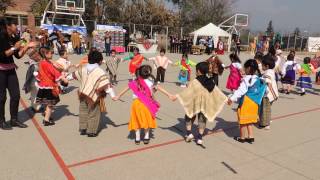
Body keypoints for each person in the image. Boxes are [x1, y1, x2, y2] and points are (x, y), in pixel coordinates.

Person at [114, 65, 174, 145]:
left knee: (136, 120)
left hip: (136, 104)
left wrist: (118, 96)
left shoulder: (135, 82)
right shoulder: (150, 82)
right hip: (147, 104)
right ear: (148, 74)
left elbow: (127, 88)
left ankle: (137, 138)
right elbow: (158, 88)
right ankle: (146, 137)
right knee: (147, 120)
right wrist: (169, 94)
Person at [171, 62, 227, 145]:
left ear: (199, 71)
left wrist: (177, 96)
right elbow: (217, 92)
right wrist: (226, 99)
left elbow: (187, 92)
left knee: (189, 115)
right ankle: (200, 138)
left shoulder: (195, 81)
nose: (195, 72)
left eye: (196, 70)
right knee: (202, 120)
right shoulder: (210, 81)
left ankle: (189, 133)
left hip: (195, 103)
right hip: (204, 105)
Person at [0, 17, 36, 129]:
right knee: (2, 97)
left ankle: (14, 119)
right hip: (0, 70)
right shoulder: (1, 37)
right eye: (15, 24)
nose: (17, 27)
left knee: (15, 95)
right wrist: (14, 48)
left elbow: (18, 56)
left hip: (10, 69)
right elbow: (2, 55)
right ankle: (1, 121)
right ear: (8, 26)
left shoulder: (14, 37)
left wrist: (26, 47)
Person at [72, 50, 115, 137]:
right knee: (94, 113)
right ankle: (91, 131)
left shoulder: (83, 68)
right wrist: (113, 96)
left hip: (83, 93)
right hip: (94, 95)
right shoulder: (100, 72)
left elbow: (73, 75)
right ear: (99, 61)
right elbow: (107, 86)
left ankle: (83, 128)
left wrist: (64, 78)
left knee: (83, 111)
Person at [228, 59, 267, 143]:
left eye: (245, 68)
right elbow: (264, 91)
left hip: (247, 101)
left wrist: (232, 98)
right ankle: (251, 136)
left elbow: (240, 91)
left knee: (242, 121)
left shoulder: (247, 79)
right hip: (255, 103)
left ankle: (242, 137)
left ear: (249, 68)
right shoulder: (260, 79)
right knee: (249, 120)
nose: (244, 70)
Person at [36, 47, 68, 126]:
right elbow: (54, 72)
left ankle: (46, 113)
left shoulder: (43, 62)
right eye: (51, 53)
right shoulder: (47, 63)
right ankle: (46, 120)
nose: (52, 54)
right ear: (46, 54)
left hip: (44, 85)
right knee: (50, 104)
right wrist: (63, 79)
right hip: (49, 86)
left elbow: (40, 74)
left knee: (48, 102)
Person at [259, 55, 279, 130]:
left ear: (266, 66)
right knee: (267, 108)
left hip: (268, 94)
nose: (261, 66)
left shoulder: (268, 73)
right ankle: (267, 120)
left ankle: (265, 123)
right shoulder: (270, 71)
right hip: (271, 94)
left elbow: (267, 80)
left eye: (262, 65)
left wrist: (260, 79)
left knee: (265, 108)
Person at [23, 48, 42, 112]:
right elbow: (32, 74)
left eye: (35, 52)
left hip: (37, 79)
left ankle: (36, 106)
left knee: (36, 93)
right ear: (30, 56)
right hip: (34, 81)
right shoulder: (33, 64)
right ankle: (35, 107)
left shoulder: (37, 60)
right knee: (36, 92)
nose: (35, 54)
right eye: (32, 54)